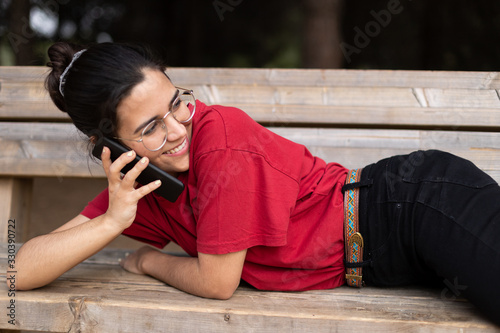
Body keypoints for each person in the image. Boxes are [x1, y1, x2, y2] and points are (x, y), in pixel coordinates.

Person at [14, 42, 500, 325]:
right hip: (391, 261)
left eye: (177, 103)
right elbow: (22, 273)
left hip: (416, 206)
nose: (178, 129)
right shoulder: (140, 185)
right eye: (149, 128)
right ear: (110, 146)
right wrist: (113, 220)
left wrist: (148, 260)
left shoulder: (219, 137)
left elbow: (217, 282)